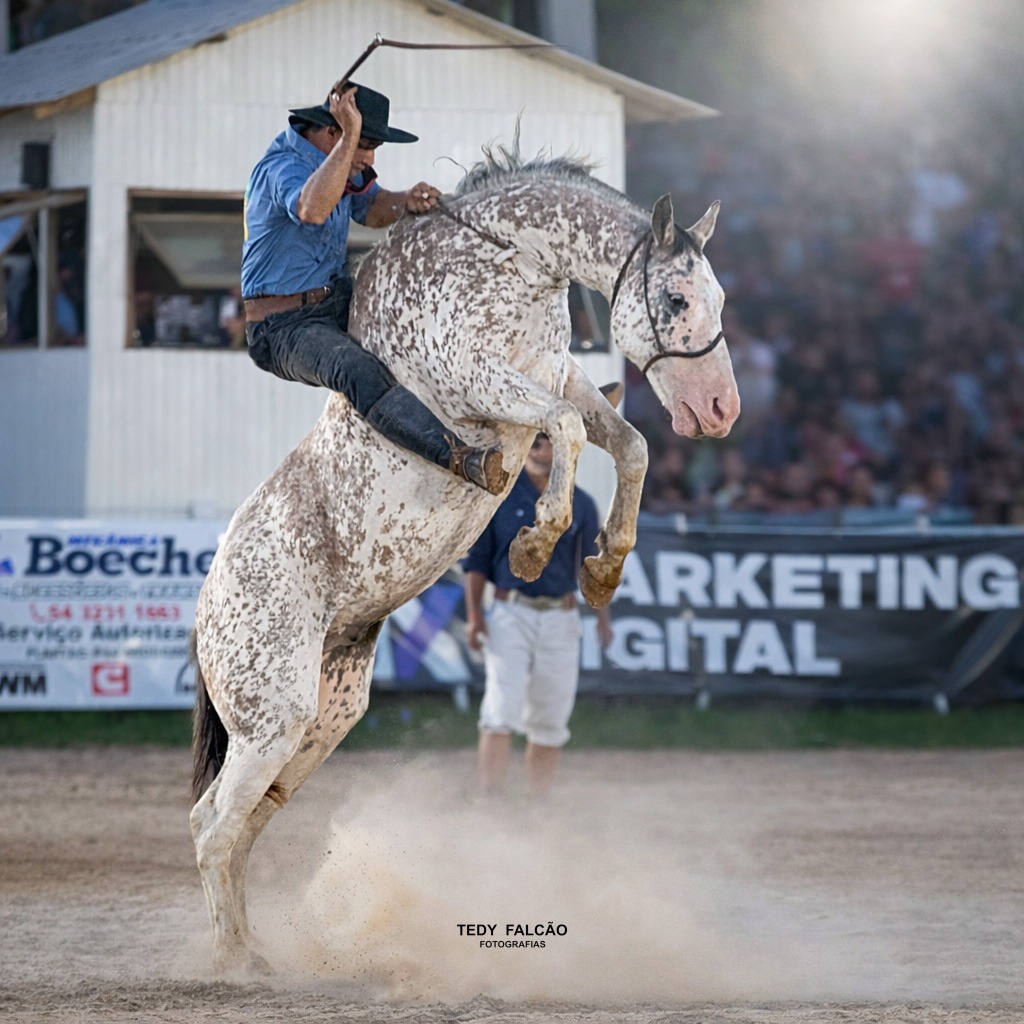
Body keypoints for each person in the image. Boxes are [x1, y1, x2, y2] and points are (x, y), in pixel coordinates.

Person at [241, 81, 505, 493]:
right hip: (281, 328)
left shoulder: (343, 163)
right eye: (365, 144)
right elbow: (312, 210)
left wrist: (406, 202)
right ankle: (456, 456)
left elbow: (373, 208)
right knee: (352, 367)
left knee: (421, 302)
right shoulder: (283, 167)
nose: (368, 158)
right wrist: (350, 141)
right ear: (332, 131)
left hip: (334, 299)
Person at [462, 432, 614, 796]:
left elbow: (594, 569)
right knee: (501, 708)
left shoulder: (581, 502)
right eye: (535, 440)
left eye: (547, 441)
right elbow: (477, 562)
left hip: (561, 616)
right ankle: (489, 799)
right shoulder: (499, 498)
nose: (540, 448)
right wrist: (475, 617)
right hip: (509, 611)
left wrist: (603, 619)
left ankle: (538, 804)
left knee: (551, 715)